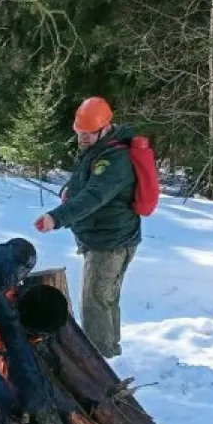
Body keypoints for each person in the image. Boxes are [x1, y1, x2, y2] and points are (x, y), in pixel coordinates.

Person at [33, 96, 140, 358]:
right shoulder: (98, 148)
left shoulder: (115, 160)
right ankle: (111, 354)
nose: (82, 138)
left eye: (88, 134)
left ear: (104, 128)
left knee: (95, 303)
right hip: (105, 238)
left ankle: (100, 363)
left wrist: (56, 218)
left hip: (110, 242)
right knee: (105, 299)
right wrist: (70, 190)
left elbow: (94, 196)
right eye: (79, 133)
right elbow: (85, 183)